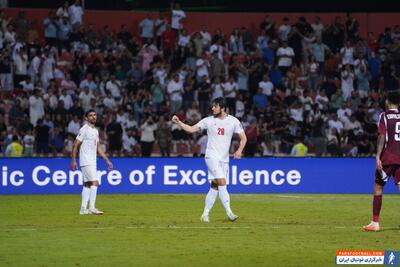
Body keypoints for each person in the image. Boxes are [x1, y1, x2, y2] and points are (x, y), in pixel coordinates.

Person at [171, 97, 247, 223]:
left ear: (222, 108)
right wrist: (179, 122)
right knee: (222, 182)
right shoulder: (208, 121)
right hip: (211, 157)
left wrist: (239, 150)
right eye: (212, 106)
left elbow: (243, 138)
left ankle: (205, 214)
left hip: (224, 159)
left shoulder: (233, 121)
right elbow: (191, 129)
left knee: (215, 186)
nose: (212, 108)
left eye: (215, 106)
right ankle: (229, 213)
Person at [363, 91, 400, 232]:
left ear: (387, 101)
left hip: (388, 158)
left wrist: (378, 155)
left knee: (378, 187)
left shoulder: (384, 116)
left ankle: (375, 223)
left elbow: (382, 136)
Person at [70, 109, 113, 215]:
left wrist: (107, 160)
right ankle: (92, 207)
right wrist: (73, 160)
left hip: (92, 161)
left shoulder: (95, 131)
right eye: (91, 115)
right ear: (86, 118)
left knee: (87, 185)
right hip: (86, 160)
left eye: (94, 115)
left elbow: (98, 148)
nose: (93, 117)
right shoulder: (84, 129)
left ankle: (83, 209)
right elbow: (75, 145)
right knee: (95, 182)